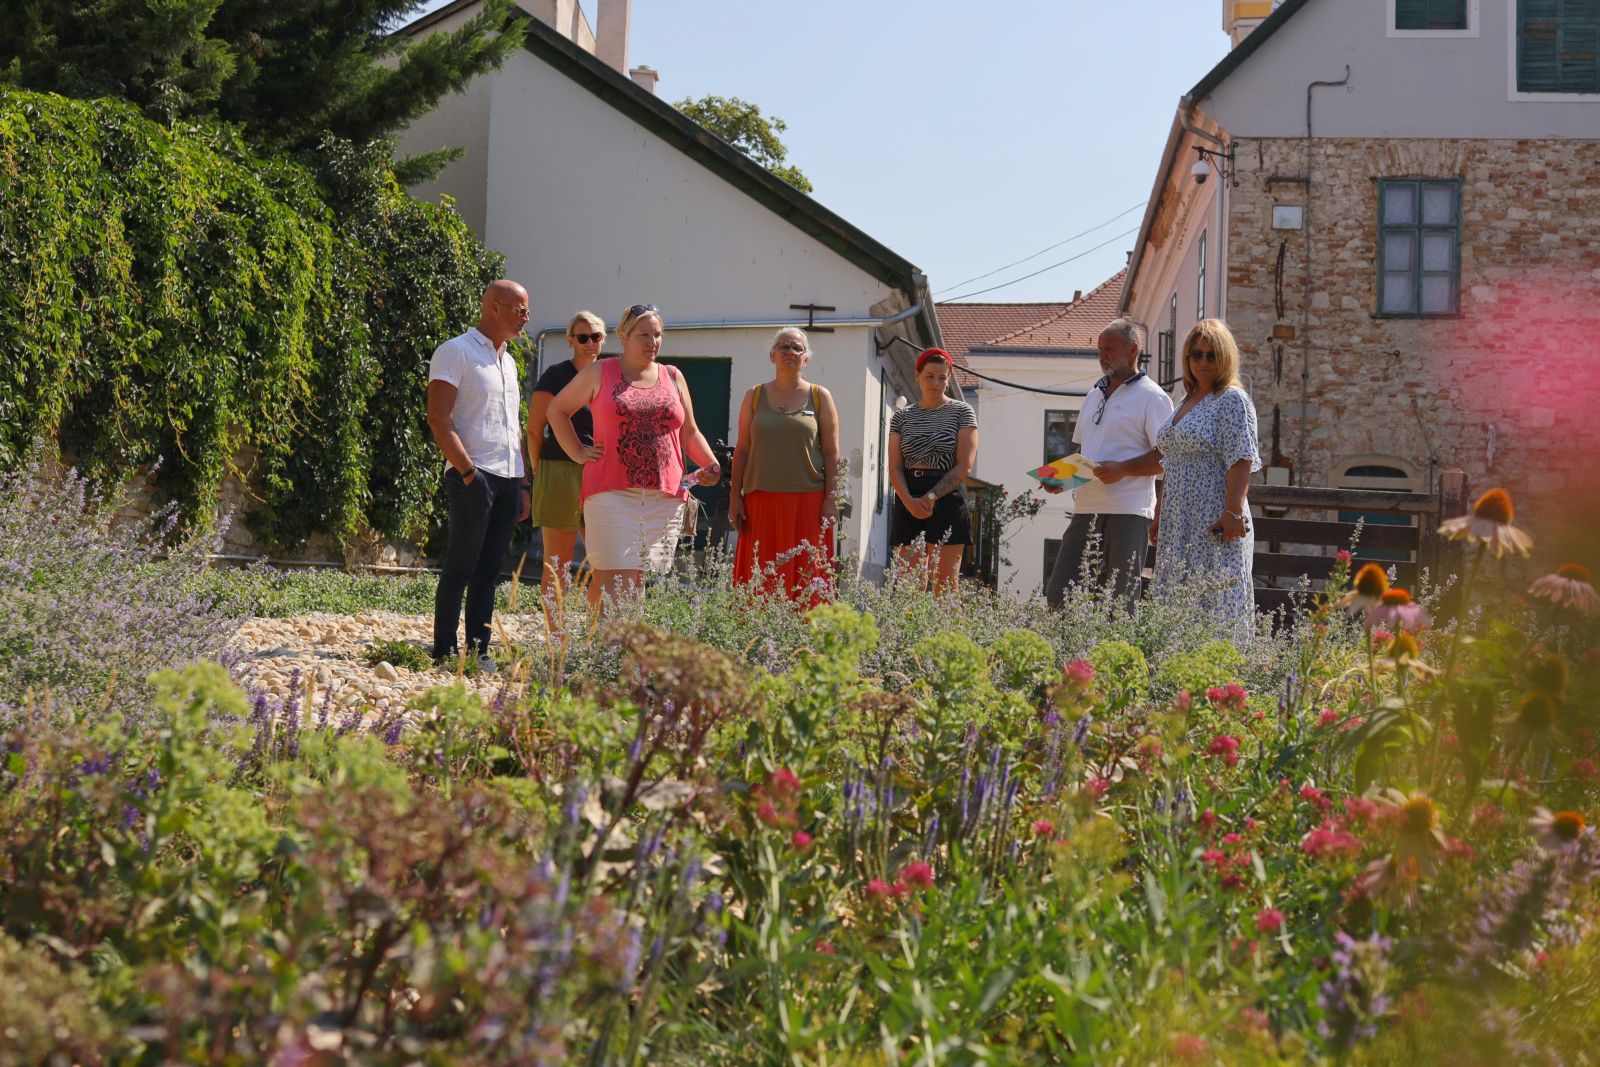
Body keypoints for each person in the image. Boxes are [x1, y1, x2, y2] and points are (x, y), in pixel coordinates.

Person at [547, 303, 721, 613]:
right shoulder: (600, 371)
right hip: (611, 494)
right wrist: (578, 452)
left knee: (632, 579)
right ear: (624, 336)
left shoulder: (673, 376)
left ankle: (603, 640)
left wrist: (710, 464)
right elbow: (556, 410)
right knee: (620, 580)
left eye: (657, 335)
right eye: (644, 335)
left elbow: (690, 431)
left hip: (664, 497)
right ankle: (618, 642)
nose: (652, 342)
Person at [426, 279, 532, 668]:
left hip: (508, 476)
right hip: (473, 473)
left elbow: (513, 426)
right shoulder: (456, 351)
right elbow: (438, 417)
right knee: (461, 566)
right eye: (520, 310)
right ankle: (443, 652)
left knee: (489, 570)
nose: (526, 318)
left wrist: (523, 483)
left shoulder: (509, 362)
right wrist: (469, 473)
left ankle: (478, 650)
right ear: (493, 307)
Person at [1043, 318, 1172, 609]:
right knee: (1060, 595)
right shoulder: (1093, 395)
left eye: (1110, 349)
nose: (1102, 355)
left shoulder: (1153, 397)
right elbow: (1084, 449)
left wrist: (1123, 469)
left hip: (1128, 512)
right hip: (1085, 509)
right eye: (1100, 349)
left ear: (1133, 350)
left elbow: (1168, 457)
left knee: (1120, 602)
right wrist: (1060, 477)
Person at [1151, 318, 1262, 631]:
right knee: (1177, 599)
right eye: (1196, 354)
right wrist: (1160, 512)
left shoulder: (1232, 399)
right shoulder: (1185, 401)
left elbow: (1241, 458)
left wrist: (1233, 513)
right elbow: (1172, 460)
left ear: (1225, 358)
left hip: (1212, 514)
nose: (1203, 362)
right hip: (1178, 518)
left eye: (1212, 355)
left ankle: (1222, 663)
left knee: (1216, 598)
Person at [729, 327, 841, 604]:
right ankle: (755, 631)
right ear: (772, 355)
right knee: (758, 576)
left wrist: (831, 499)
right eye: (784, 346)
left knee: (808, 577)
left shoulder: (820, 396)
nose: (790, 351)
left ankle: (807, 632)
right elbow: (742, 451)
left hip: (808, 504)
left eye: (797, 348)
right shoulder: (754, 396)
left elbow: (831, 453)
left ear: (806, 359)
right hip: (759, 502)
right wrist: (735, 498)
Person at [527, 311, 602, 611]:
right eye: (583, 337)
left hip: (601, 474)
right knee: (558, 563)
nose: (590, 342)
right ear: (571, 340)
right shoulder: (555, 375)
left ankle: (600, 633)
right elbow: (535, 430)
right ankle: (557, 634)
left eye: (595, 336)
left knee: (606, 563)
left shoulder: (611, 374)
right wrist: (538, 471)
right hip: (559, 471)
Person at [888, 348, 978, 594]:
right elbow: (894, 466)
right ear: (917, 375)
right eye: (930, 376)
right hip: (909, 496)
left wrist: (931, 497)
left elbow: (965, 465)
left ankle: (948, 623)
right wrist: (909, 501)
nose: (936, 383)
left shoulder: (962, 412)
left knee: (945, 586)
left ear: (949, 379)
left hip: (947, 496)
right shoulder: (901, 417)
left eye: (942, 377)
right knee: (909, 586)